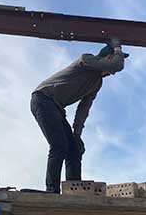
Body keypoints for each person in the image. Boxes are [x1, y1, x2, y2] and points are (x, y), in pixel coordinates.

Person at [31, 43, 128, 193]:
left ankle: (74, 190)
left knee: (74, 148)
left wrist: (76, 135)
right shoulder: (86, 60)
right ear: (108, 58)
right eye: (115, 58)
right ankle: (52, 189)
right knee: (59, 145)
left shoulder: (97, 83)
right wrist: (117, 48)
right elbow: (117, 65)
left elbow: (83, 110)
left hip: (56, 107)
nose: (114, 72)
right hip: (43, 99)